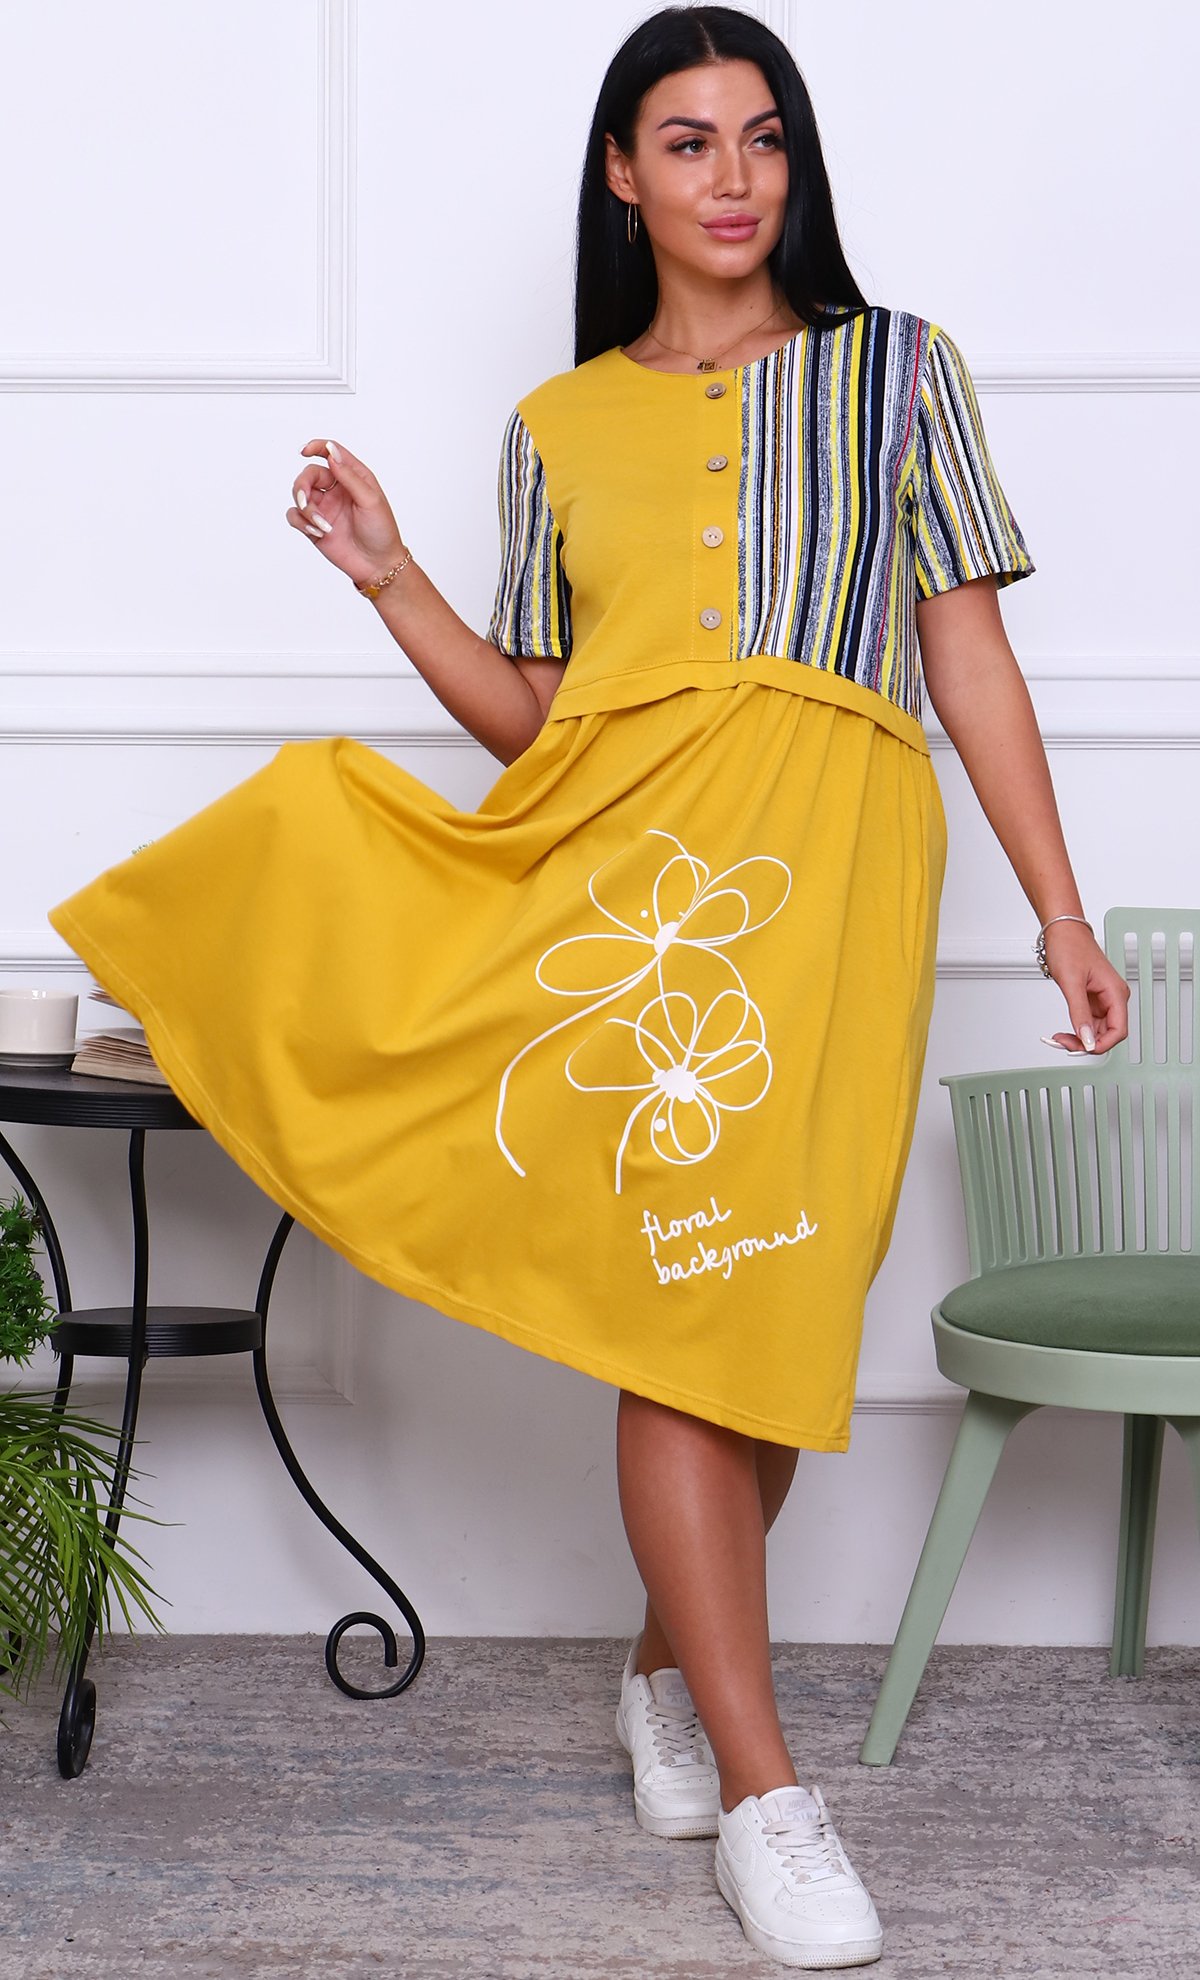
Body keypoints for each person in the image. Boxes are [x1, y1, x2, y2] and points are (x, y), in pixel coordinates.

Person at [52, 7, 1129, 1968]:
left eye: (765, 138)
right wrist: (393, 580)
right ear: (622, 175)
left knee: (772, 1308)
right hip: (640, 887)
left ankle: (660, 1674)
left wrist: (1059, 910)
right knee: (682, 1308)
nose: (736, 177)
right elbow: (547, 724)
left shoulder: (899, 372)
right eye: (690, 141)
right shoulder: (558, 425)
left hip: (841, 872)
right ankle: (768, 1798)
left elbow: (964, 652)